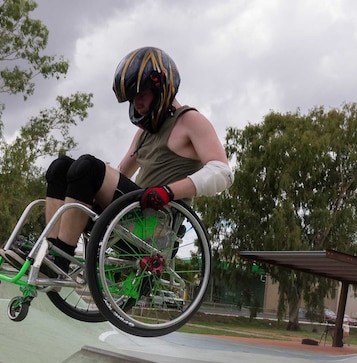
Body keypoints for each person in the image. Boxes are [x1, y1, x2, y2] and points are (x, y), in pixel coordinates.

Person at [39, 46, 234, 272]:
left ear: (161, 88)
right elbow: (119, 175)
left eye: (141, 95)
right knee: (61, 167)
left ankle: (61, 259)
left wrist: (167, 192)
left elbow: (222, 172)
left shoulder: (191, 120)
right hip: (130, 215)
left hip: (157, 225)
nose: (136, 103)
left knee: (87, 167)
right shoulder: (144, 132)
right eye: (132, 98)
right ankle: (50, 252)